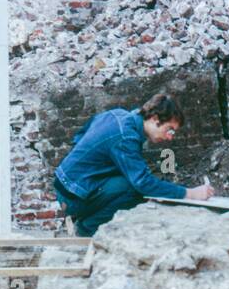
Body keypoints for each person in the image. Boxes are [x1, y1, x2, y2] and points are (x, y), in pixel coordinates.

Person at [53, 93, 214, 236]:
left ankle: (86, 214)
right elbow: (143, 183)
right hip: (73, 198)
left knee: (131, 179)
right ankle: (87, 228)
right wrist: (191, 194)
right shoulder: (126, 137)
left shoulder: (118, 115)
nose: (170, 137)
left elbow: (79, 137)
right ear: (155, 119)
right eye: (170, 130)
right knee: (134, 189)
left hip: (67, 187)